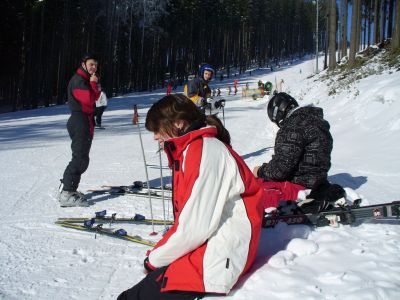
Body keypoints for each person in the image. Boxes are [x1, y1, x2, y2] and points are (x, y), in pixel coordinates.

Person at [118, 94, 263, 300]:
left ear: (178, 123)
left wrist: (154, 260)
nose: (155, 137)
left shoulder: (205, 151)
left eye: (158, 129)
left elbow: (193, 227)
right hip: (214, 245)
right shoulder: (192, 149)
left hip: (220, 254)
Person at [253, 92, 334, 209]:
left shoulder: (292, 126)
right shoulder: (318, 122)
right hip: (319, 181)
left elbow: (279, 170)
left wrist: (260, 171)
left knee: (254, 188)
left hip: (299, 185)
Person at [58, 53, 100, 207]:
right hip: (80, 120)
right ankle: (67, 193)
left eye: (95, 65)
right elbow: (90, 99)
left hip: (84, 120)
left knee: (82, 158)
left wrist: (94, 85)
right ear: (84, 64)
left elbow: (96, 97)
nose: (94, 68)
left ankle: (70, 189)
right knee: (79, 158)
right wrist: (94, 84)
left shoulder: (85, 80)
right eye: (91, 64)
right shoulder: (78, 80)